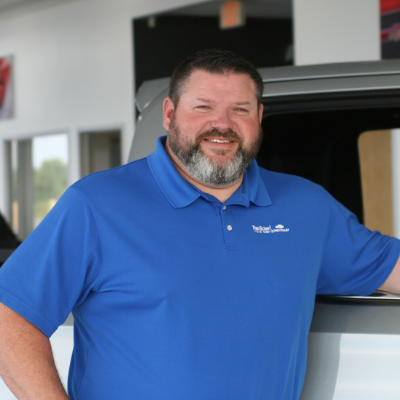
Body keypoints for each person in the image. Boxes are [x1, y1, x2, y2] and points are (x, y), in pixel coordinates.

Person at [0, 49, 399, 400]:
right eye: (203, 107)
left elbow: (388, 268)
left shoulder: (306, 208)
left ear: (259, 117)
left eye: (240, 109)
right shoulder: (96, 205)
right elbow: (9, 316)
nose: (221, 124)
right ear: (170, 113)